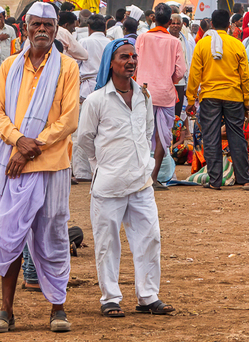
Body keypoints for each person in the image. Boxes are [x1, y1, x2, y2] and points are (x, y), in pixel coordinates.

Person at [0, 1, 80, 333]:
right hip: (13, 164)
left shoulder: (67, 67)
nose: (42, 30)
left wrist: (31, 147)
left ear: (56, 30)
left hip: (51, 165)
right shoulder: (9, 66)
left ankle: (58, 309)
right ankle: (6, 311)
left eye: (48, 26)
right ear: (26, 27)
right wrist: (17, 140)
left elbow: (69, 120)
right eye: (36, 24)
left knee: (53, 235)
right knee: (8, 235)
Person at [75, 37, 174, 318]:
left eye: (133, 57)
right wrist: (101, 165)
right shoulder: (96, 101)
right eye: (124, 57)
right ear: (110, 63)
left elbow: (146, 132)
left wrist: (144, 162)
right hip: (108, 183)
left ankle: (148, 296)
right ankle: (110, 297)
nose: (131, 61)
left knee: (150, 237)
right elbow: (84, 140)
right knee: (108, 243)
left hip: (141, 181)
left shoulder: (144, 96)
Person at [186, 9, 249, 191]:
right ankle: (244, 178)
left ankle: (215, 180)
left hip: (210, 96)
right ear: (229, 26)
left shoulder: (203, 44)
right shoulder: (237, 44)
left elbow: (194, 74)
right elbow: (244, 75)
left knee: (211, 137)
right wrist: (246, 99)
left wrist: (191, 99)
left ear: (212, 25)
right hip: (234, 96)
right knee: (237, 137)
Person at [135, 4, 186, 190]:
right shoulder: (175, 42)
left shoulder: (142, 38)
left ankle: (140, 176)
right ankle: (154, 177)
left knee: (140, 133)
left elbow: (135, 62)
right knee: (162, 136)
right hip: (165, 92)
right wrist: (167, 79)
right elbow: (180, 71)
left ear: (153, 19)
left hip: (143, 91)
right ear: (169, 22)